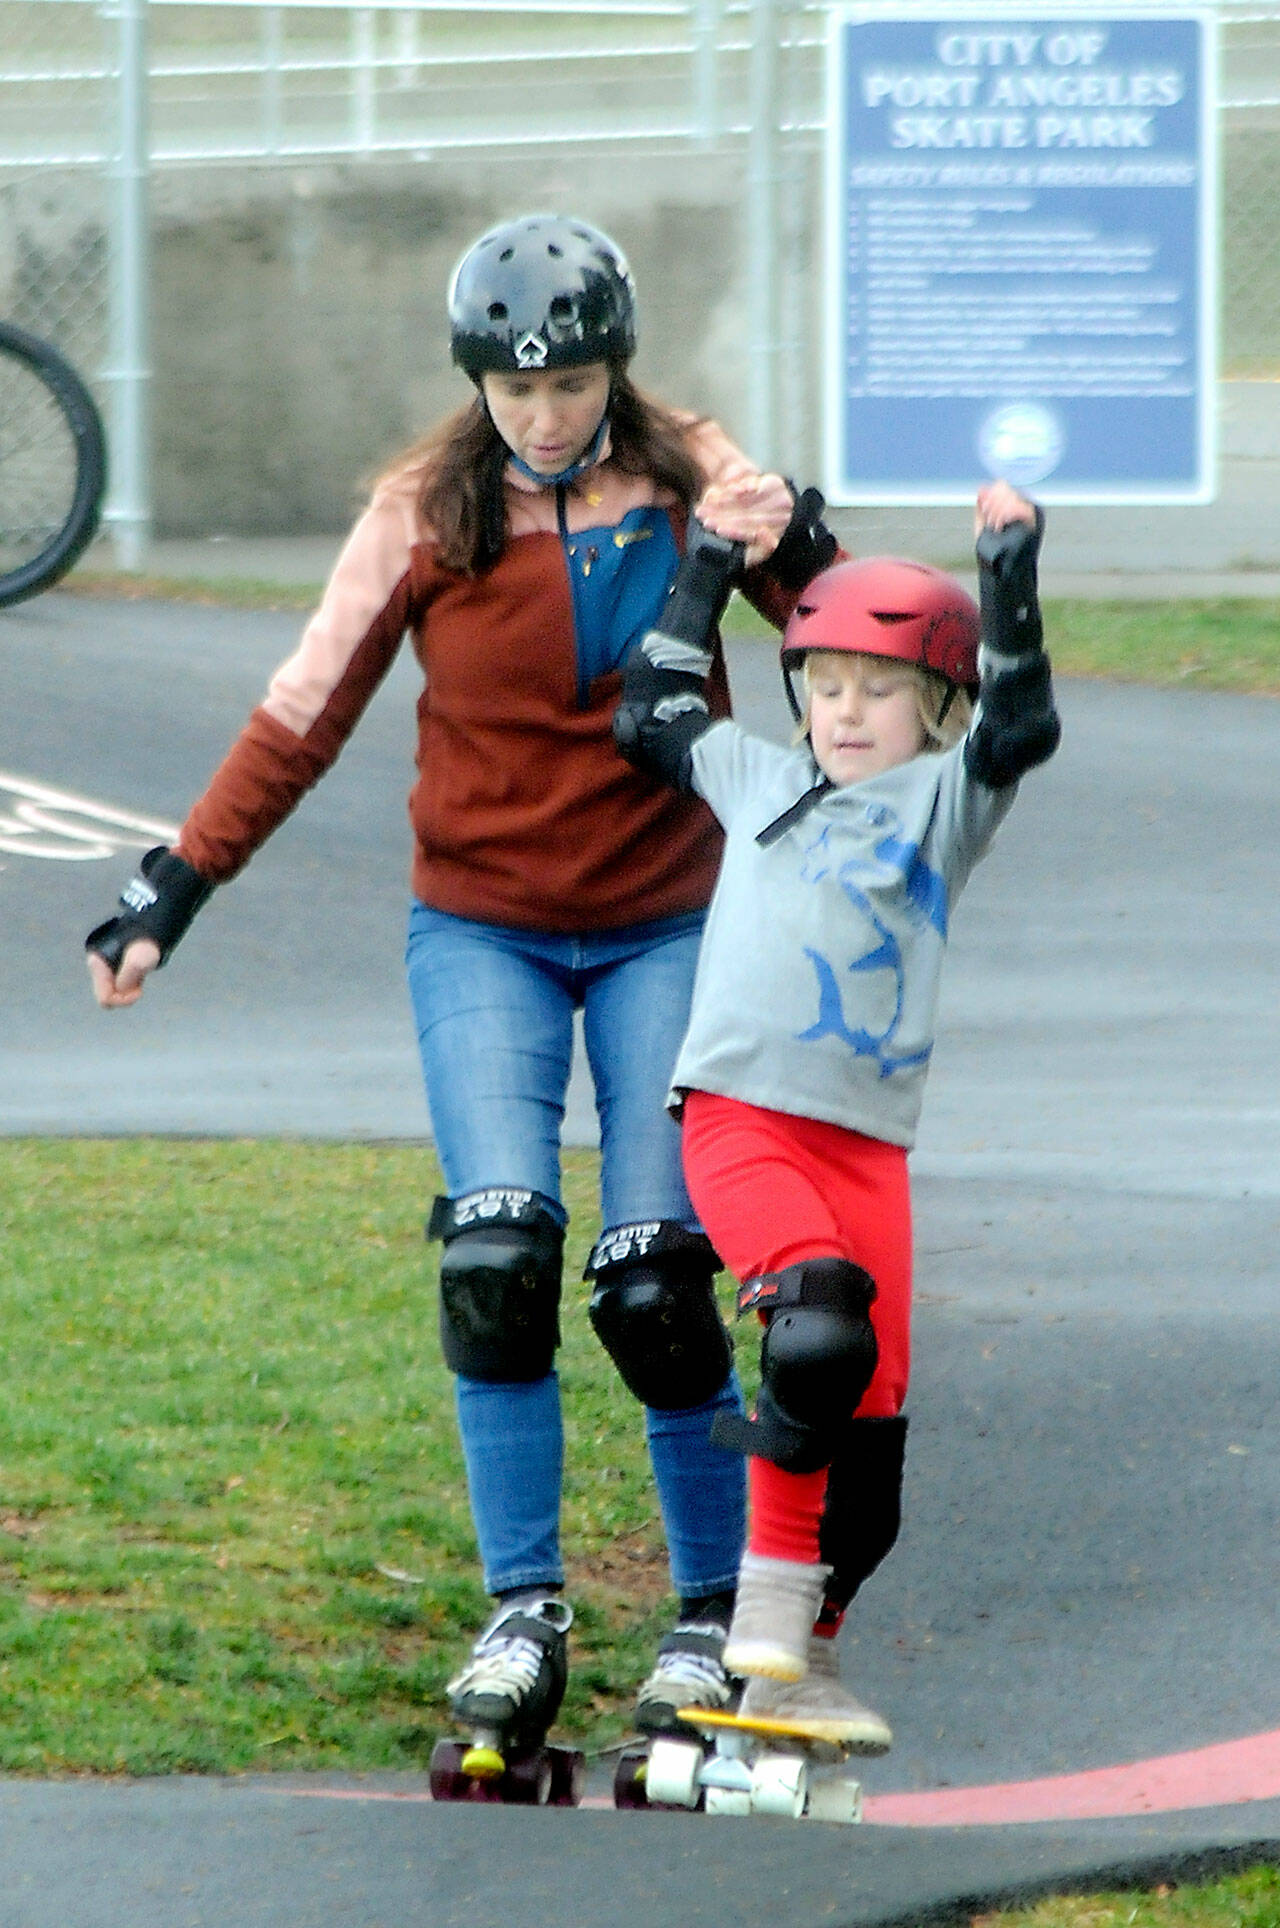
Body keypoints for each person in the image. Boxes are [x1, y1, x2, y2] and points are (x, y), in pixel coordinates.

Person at [84, 212, 846, 1750]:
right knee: (495, 1266)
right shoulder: (425, 511)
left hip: (665, 925)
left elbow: (846, 640)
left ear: (613, 370)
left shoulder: (685, 465)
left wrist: (797, 542)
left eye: (571, 385)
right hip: (483, 929)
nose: (547, 412)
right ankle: (525, 1613)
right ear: (480, 379)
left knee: (653, 1283)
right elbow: (303, 713)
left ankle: (708, 1620)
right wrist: (178, 884)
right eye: (517, 387)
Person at [612, 481, 1060, 1751]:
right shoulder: (753, 774)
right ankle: (755, 1611)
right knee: (812, 1329)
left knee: (868, 1487)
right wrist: (706, 557)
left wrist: (1006, 568)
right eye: (822, 682)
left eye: (876, 688)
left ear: (931, 707)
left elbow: (1020, 720)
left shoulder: (946, 802)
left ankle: (790, 1671)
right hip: (740, 1115)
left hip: (868, 1148)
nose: (844, 710)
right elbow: (647, 712)